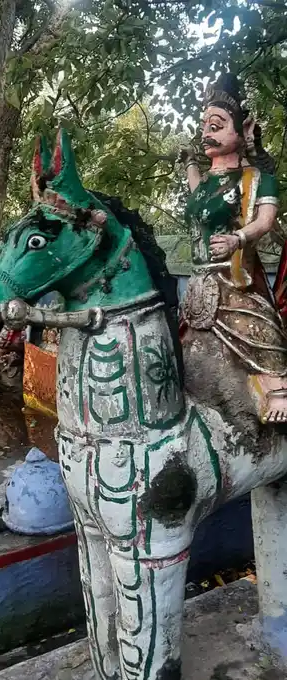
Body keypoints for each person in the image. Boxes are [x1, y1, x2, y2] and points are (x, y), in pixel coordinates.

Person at [180, 72, 287, 424]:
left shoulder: (257, 179)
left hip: (235, 278)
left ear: (244, 130)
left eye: (217, 124)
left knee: (258, 330)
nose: (206, 133)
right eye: (204, 126)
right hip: (199, 283)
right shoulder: (207, 182)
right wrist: (189, 163)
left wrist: (238, 238)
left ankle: (279, 389)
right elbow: (195, 192)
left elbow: (266, 220)